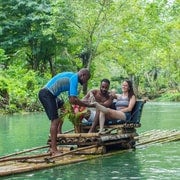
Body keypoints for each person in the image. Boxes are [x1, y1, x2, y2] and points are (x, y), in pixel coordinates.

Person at [38, 68, 95, 156]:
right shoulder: (74, 79)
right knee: (55, 120)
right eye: (86, 80)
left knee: (64, 107)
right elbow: (73, 100)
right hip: (46, 94)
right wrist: (88, 104)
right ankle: (53, 150)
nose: (85, 82)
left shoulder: (72, 77)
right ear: (83, 75)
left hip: (52, 95)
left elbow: (71, 99)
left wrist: (83, 103)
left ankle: (59, 131)